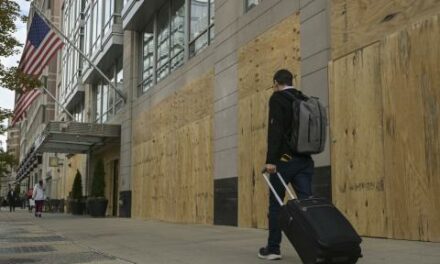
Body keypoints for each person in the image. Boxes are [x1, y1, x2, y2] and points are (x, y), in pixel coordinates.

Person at [258, 69, 314, 260]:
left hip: (284, 161)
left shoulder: (277, 98)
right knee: (307, 205)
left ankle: (273, 248)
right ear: (292, 81)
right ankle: (318, 246)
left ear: (276, 82)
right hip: (306, 161)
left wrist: (271, 160)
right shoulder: (304, 98)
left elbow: (275, 129)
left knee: (276, 206)